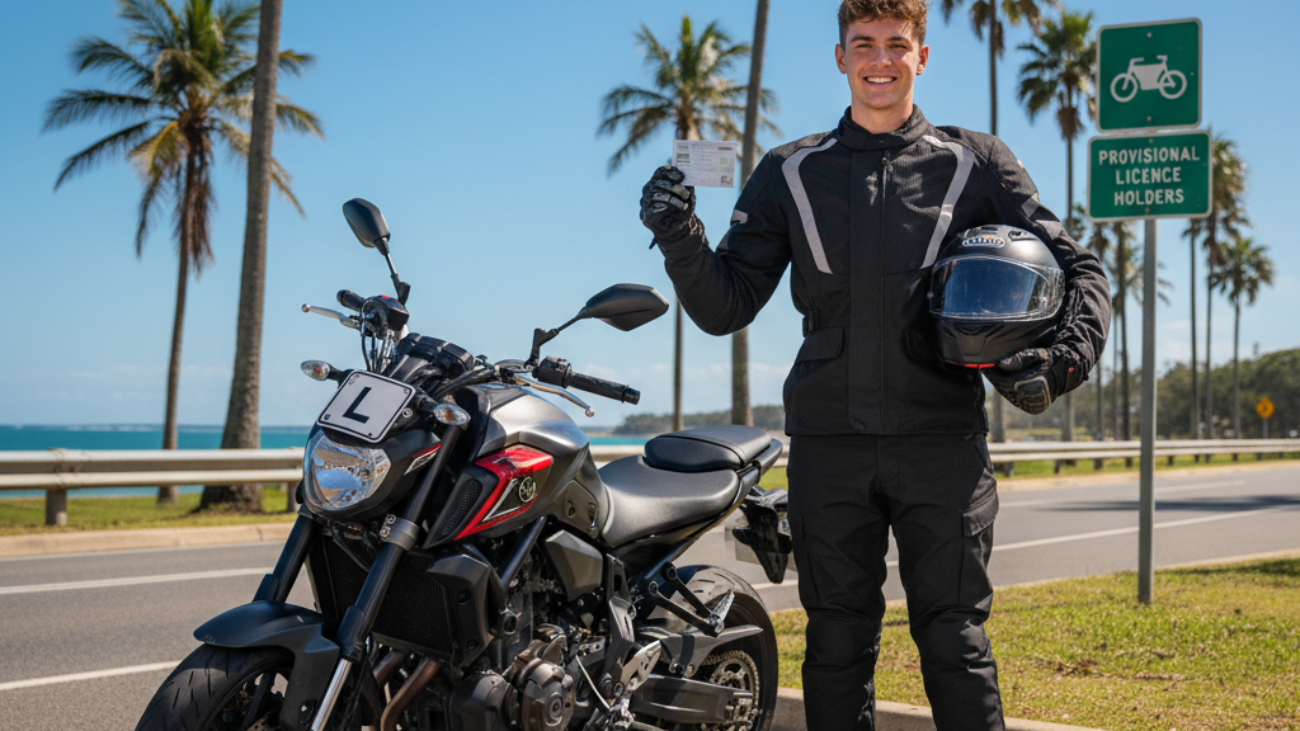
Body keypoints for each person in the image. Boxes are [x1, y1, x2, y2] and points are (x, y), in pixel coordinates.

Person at [636, 1, 1111, 729]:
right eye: (864, 44)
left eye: (896, 43)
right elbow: (725, 305)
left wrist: (1063, 361)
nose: (880, 60)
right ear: (841, 57)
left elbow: (1080, 269)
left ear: (922, 56)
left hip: (942, 444)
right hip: (829, 447)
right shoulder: (790, 171)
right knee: (834, 644)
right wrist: (678, 233)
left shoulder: (977, 162)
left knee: (955, 642)